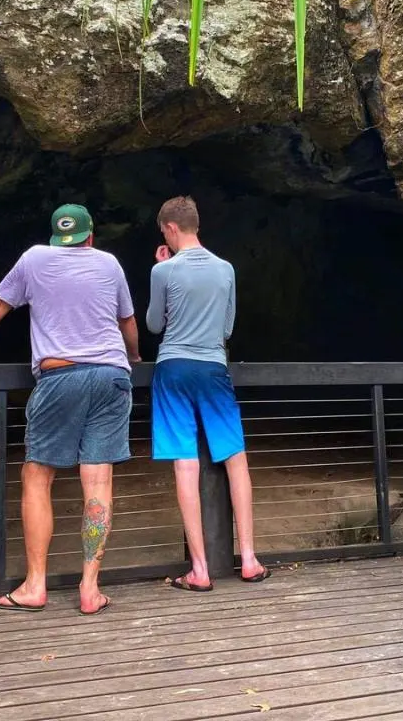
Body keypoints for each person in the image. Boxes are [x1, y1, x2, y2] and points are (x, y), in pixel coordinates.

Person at [0, 204, 139, 615]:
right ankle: (90, 589)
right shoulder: (109, 264)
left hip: (60, 378)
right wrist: (135, 356)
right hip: (111, 375)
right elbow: (127, 321)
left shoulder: (34, 258)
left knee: (38, 476)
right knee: (98, 482)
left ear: (58, 236)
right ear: (91, 237)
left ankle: (35, 585)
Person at [146, 196, 269, 590]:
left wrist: (161, 268)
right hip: (214, 366)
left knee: (185, 464)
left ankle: (199, 570)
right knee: (236, 460)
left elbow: (153, 324)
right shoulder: (226, 269)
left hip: (173, 368)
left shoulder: (163, 271)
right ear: (196, 225)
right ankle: (248, 559)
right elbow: (227, 328)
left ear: (170, 228)